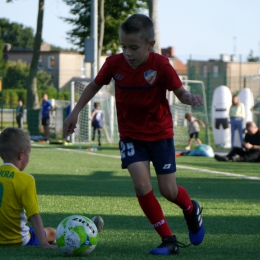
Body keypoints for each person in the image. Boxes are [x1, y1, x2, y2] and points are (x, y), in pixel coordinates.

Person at [64, 14, 204, 255]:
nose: (127, 53)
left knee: (168, 191)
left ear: (150, 45)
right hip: (130, 135)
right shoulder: (114, 64)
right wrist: (74, 112)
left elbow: (179, 92)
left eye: (134, 48)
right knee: (141, 185)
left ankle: (191, 210)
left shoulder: (160, 64)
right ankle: (168, 240)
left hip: (160, 134)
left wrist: (188, 98)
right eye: (123, 47)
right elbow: (94, 86)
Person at [0, 127, 57, 248]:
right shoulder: (26, 180)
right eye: (28, 153)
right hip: (17, 240)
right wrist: (44, 243)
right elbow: (34, 215)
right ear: (21, 155)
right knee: (51, 232)